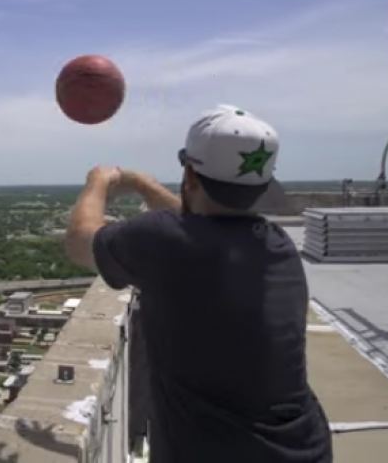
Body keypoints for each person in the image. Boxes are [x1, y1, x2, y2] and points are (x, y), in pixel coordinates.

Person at [63, 105, 333, 463]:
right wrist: (145, 186)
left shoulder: (166, 241)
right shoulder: (276, 244)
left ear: (190, 174)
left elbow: (80, 242)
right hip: (304, 449)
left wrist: (97, 181)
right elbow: (198, 227)